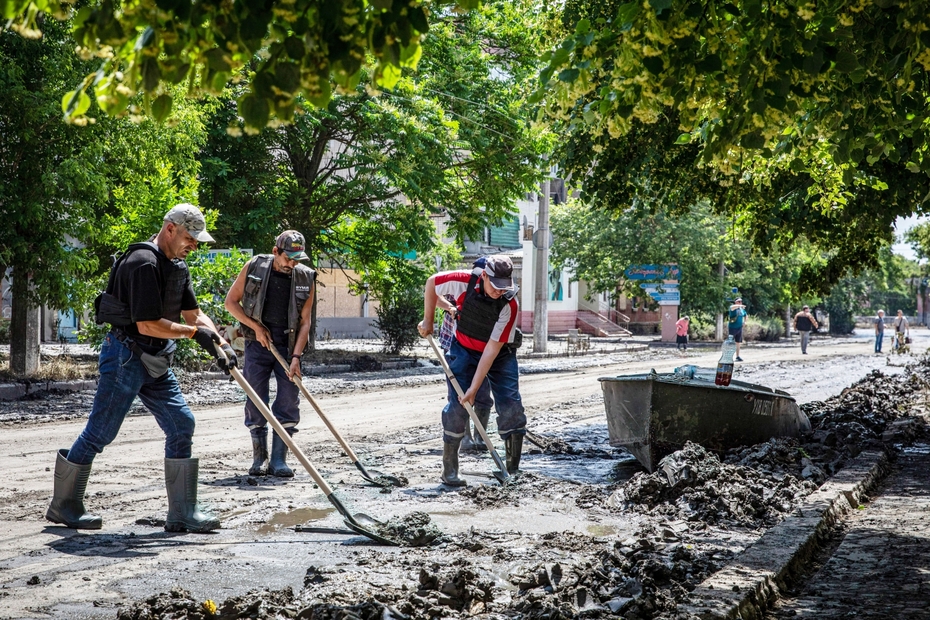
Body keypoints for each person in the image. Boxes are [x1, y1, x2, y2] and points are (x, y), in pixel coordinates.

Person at [46, 204, 237, 533]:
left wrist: (221, 342)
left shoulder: (176, 266)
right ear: (170, 229)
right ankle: (64, 504)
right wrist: (194, 334)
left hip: (157, 359)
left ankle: (182, 512)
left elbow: (194, 315)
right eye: (191, 238)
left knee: (181, 424)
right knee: (100, 432)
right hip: (126, 356)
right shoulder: (142, 263)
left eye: (198, 241)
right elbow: (148, 325)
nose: (195, 245)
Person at [417, 255, 526, 486]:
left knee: (511, 405)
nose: (499, 292)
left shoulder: (509, 304)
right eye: (495, 287)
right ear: (484, 275)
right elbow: (431, 282)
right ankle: (450, 471)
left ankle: (512, 470)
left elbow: (491, 351)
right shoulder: (463, 281)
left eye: (503, 288)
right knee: (458, 405)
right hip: (464, 349)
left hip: (499, 355)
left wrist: (475, 389)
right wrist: (428, 321)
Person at [224, 231, 316, 477]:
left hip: (288, 345)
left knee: (288, 398)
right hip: (257, 344)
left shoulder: (306, 277)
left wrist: (296, 357)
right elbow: (231, 303)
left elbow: (305, 322)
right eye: (289, 258)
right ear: (276, 251)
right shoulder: (254, 266)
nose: (293, 264)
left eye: (298, 259)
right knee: (255, 398)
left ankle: (278, 460)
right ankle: (259, 458)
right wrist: (256, 328)